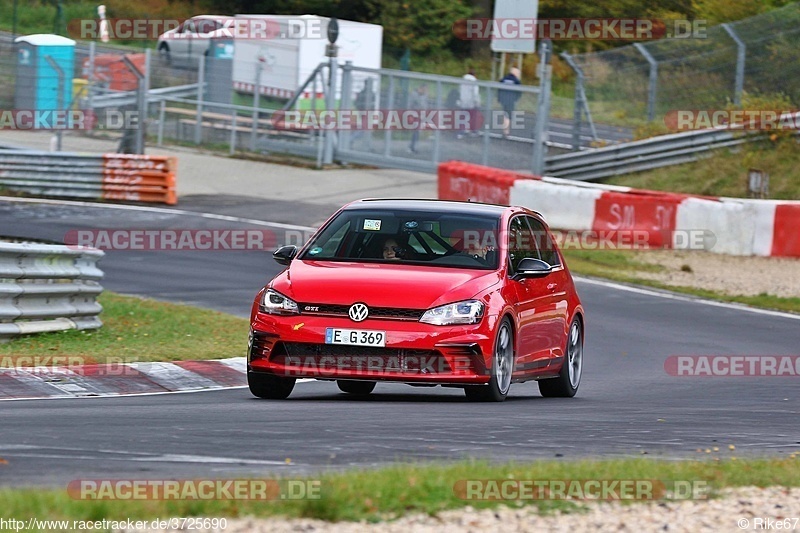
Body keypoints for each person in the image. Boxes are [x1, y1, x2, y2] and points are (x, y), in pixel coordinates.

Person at [497, 67, 521, 137]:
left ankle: (504, 129)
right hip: (511, 100)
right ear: (515, 73)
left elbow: (499, 88)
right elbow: (519, 92)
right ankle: (506, 131)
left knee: (505, 114)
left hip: (503, 99)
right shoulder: (516, 81)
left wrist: (499, 98)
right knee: (508, 115)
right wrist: (516, 99)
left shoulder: (504, 79)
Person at [458, 69, 480, 138]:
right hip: (471, 102)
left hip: (463, 101)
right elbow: (475, 93)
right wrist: (476, 101)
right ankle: (473, 130)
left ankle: (461, 131)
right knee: (473, 116)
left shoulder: (463, 80)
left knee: (463, 117)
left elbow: (460, 90)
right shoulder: (474, 81)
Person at [408, 84, 429, 154]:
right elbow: (411, 105)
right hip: (415, 115)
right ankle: (412, 147)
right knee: (415, 131)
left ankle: (413, 146)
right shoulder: (414, 95)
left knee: (417, 132)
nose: (425, 91)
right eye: (424, 89)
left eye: (426, 89)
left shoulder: (424, 95)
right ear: (420, 88)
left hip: (421, 115)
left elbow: (425, 105)